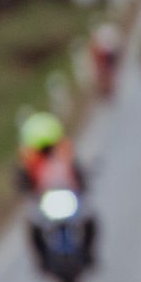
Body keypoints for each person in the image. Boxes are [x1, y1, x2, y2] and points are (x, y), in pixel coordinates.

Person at [15, 112, 97, 273]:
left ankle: (88, 253)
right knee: (33, 226)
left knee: (89, 218)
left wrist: (83, 182)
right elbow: (21, 180)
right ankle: (42, 259)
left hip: (68, 196)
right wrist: (26, 187)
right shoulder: (29, 159)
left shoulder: (64, 152)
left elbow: (78, 171)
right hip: (44, 201)